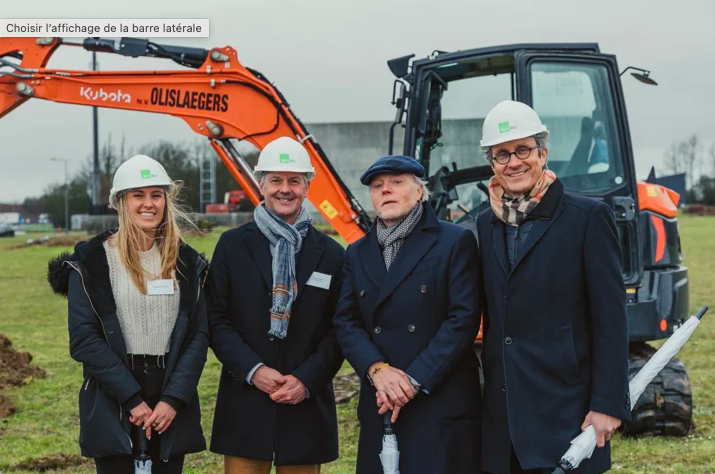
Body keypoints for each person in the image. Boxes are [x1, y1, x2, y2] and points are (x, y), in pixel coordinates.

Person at [476, 100, 630, 474]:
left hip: (565, 409)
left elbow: (611, 319)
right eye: (501, 155)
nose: (513, 162)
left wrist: (608, 403)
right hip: (504, 415)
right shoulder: (486, 223)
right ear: (492, 164)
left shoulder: (587, 217)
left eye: (523, 150)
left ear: (542, 153)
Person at [47, 155, 209, 473]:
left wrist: (173, 400)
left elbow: (198, 335)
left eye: (156, 195)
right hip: (114, 397)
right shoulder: (91, 262)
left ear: (166, 200)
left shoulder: (187, 263)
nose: (148, 204)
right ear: (121, 202)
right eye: (138, 195)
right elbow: (84, 339)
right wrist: (131, 398)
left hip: (169, 395)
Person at [333, 155, 483, 474]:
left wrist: (411, 381)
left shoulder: (454, 241)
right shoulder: (357, 252)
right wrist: (377, 370)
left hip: (437, 398)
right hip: (380, 399)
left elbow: (463, 319)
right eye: (377, 186)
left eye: (396, 183)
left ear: (419, 192)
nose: (385, 190)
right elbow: (346, 321)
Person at [206, 137, 345, 474]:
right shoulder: (232, 246)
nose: (285, 189)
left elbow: (340, 327)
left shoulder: (332, 254)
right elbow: (215, 318)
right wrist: (254, 370)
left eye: (294, 181)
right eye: (276, 180)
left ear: (307, 186)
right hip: (246, 402)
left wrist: (306, 379)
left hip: (305, 404)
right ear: (261, 184)